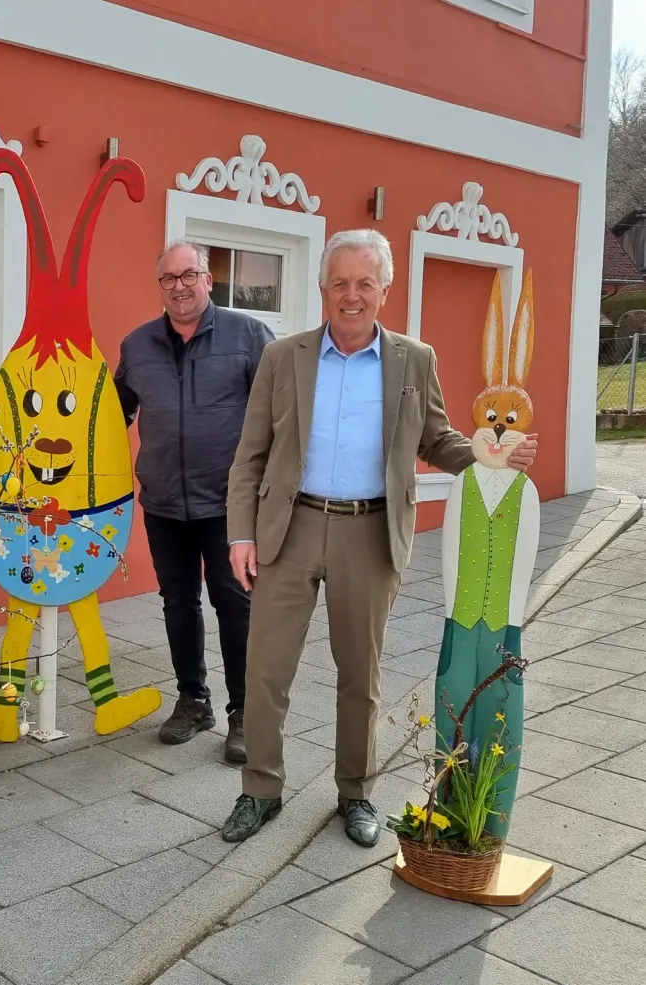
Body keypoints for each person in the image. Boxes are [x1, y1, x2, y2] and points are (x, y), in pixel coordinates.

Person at [219, 228, 538, 847]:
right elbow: (249, 456)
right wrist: (240, 534)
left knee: (360, 674)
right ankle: (260, 790)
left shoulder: (414, 360)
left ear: (384, 290)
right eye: (340, 282)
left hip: (370, 531)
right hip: (289, 527)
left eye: (365, 282)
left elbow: (437, 438)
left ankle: (356, 793)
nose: (352, 295)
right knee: (265, 669)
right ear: (323, 289)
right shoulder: (284, 357)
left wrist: (490, 456)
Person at [114, 240, 273, 762]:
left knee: (235, 606)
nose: (179, 287)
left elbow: (281, 414)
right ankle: (193, 699)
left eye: (189, 275)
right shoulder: (137, 346)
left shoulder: (249, 337)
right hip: (163, 503)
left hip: (230, 506)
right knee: (178, 604)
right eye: (168, 279)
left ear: (208, 278)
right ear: (159, 285)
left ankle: (245, 712)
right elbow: (114, 415)